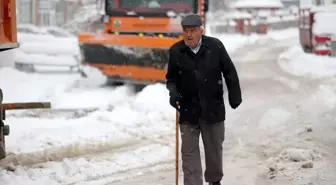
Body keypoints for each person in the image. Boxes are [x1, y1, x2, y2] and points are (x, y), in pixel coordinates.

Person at [165, 14, 242, 185]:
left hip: (213, 109)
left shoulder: (215, 46)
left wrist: (234, 96)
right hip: (188, 110)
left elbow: (229, 71)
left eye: (193, 31)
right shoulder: (176, 51)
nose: (189, 35)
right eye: (185, 31)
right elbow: (171, 79)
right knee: (189, 153)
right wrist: (173, 93)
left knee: (214, 151)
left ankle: (215, 181)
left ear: (201, 30)